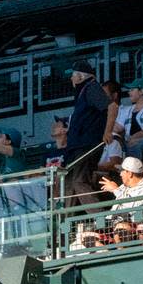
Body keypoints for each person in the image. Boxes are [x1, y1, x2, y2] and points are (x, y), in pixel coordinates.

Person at [63, 60, 110, 207]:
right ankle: (64, 223)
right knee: (69, 183)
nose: (71, 78)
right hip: (78, 146)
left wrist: (108, 131)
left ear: (81, 76)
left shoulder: (91, 88)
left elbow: (112, 107)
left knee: (79, 181)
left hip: (87, 144)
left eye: (72, 75)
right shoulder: (84, 91)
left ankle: (101, 218)